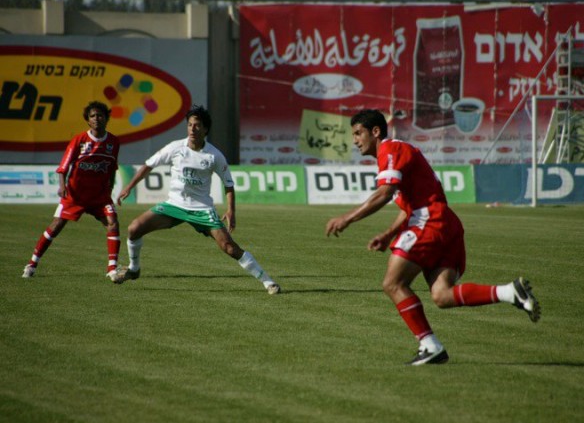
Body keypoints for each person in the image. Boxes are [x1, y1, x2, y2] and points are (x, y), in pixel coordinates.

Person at [325, 109, 540, 366]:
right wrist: (388, 234)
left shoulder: (390, 150)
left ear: (376, 131)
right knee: (442, 295)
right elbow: (408, 205)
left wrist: (346, 219)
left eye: (358, 133)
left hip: (431, 220)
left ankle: (429, 344)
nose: (355, 140)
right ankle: (509, 292)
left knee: (393, 284)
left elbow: (384, 194)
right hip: (445, 223)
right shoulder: (396, 155)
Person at [113, 105, 280, 295]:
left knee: (230, 248)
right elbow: (149, 165)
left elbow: (228, 184)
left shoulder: (214, 155)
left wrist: (231, 210)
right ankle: (134, 269)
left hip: (202, 210)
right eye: (190, 125)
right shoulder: (175, 147)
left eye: (197, 125)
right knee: (134, 228)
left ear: (205, 129)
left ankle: (268, 282)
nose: (192, 129)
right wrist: (129, 187)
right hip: (173, 206)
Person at [22, 101, 121, 281]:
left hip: (100, 196)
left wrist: (111, 187)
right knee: (56, 225)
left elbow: (112, 167)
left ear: (106, 118)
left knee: (112, 222)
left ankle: (112, 269)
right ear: (88, 120)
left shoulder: (113, 142)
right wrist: (63, 186)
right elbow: (63, 166)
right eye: (93, 116)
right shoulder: (80, 140)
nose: (96, 119)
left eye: (100, 115)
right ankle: (32, 264)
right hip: (76, 195)